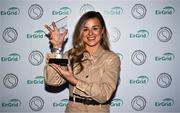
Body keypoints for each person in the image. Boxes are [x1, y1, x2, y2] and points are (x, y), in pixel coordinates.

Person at [44, 11, 121, 113]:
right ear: (81, 32)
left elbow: (104, 94)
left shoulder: (111, 58)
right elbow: (52, 81)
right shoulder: (71, 55)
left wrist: (75, 81)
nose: (90, 33)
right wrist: (57, 47)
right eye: (85, 29)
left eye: (95, 28)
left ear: (102, 30)